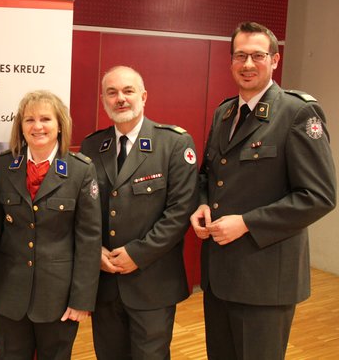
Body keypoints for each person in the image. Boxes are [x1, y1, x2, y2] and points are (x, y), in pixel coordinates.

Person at [190, 21, 336, 359]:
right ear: (231, 61)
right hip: (221, 274)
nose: (248, 64)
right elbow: (208, 175)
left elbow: (319, 196)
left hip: (266, 278)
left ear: (275, 59)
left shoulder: (298, 112)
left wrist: (247, 222)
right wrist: (200, 204)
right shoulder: (224, 112)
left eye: (257, 55)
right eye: (240, 55)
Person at [80, 66, 199, 359]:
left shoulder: (173, 143)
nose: (120, 98)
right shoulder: (92, 146)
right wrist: (94, 251)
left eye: (128, 91)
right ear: (103, 100)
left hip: (152, 283)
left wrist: (138, 254)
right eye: (112, 92)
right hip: (105, 281)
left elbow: (180, 212)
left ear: (143, 96)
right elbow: (83, 211)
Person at [0, 90, 102, 360]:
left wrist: (81, 300)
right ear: (20, 127)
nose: (37, 126)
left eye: (46, 119)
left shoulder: (81, 170)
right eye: (29, 120)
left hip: (58, 297)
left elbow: (89, 240)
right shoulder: (4, 166)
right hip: (8, 292)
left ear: (60, 126)